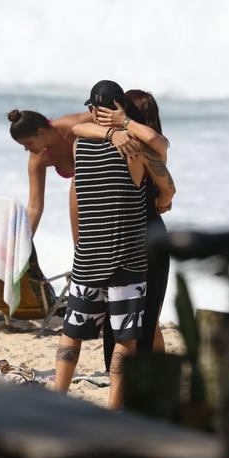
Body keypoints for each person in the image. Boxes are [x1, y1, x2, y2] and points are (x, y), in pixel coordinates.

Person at [54, 81, 176, 410]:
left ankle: (56, 397)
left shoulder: (80, 144)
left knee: (72, 335)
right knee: (126, 340)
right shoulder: (135, 147)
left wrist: (106, 130)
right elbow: (161, 147)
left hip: (88, 258)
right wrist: (121, 127)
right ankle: (114, 409)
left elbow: (73, 127)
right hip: (126, 260)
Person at [73, 90, 172, 369]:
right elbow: (76, 125)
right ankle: (143, 377)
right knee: (136, 316)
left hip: (132, 236)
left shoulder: (138, 146)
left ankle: (148, 377)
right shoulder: (129, 145)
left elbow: (160, 144)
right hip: (142, 233)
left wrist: (123, 123)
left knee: (140, 317)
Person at [6, 109, 92, 240]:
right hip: (83, 184)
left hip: (112, 171)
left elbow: (105, 112)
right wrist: (21, 245)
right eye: (23, 145)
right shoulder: (38, 158)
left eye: (28, 143)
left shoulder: (71, 126)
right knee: (81, 247)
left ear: (40, 132)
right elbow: (34, 207)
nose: (26, 149)